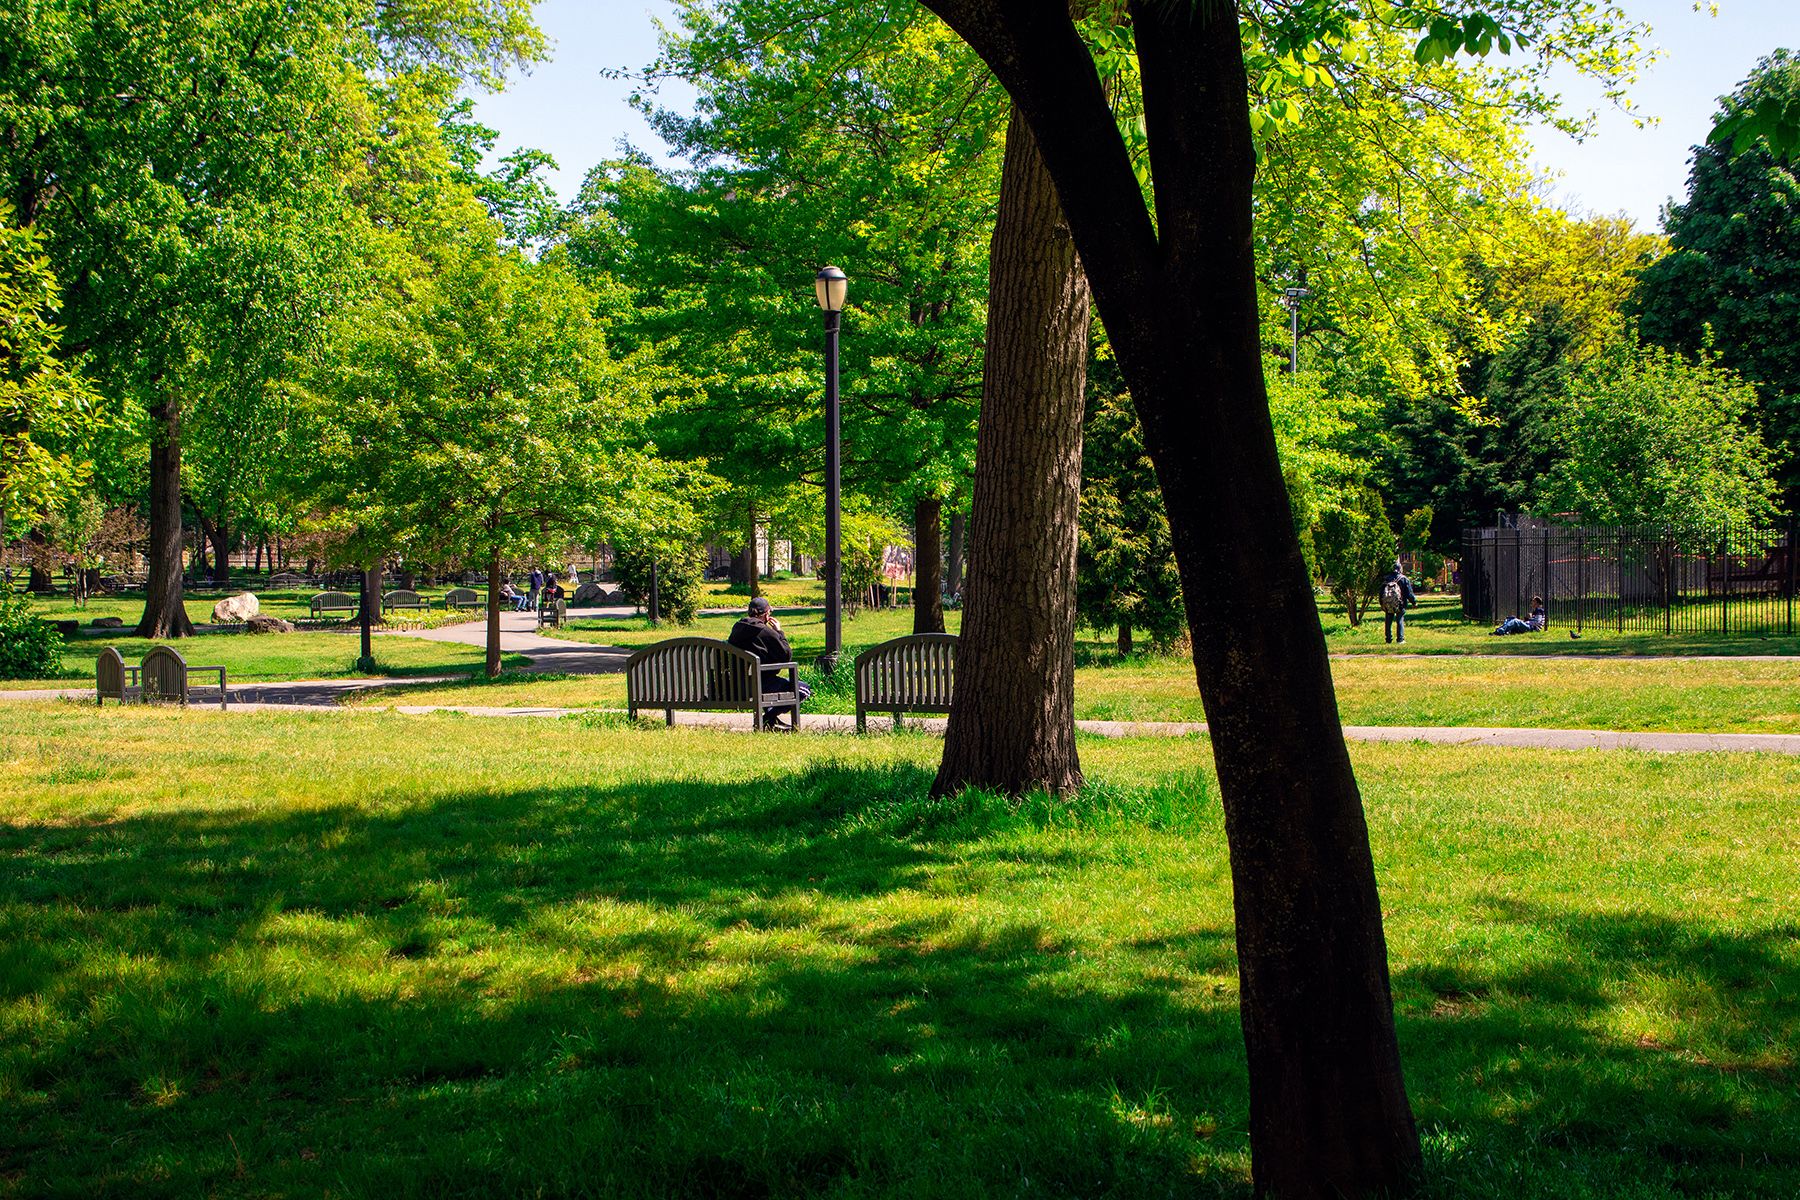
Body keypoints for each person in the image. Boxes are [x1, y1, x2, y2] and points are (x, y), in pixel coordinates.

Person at [727, 596, 812, 728]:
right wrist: (779, 631)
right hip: (756, 686)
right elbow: (786, 655)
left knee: (769, 680)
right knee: (803, 689)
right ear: (766, 614)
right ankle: (767, 719)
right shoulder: (765, 631)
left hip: (734, 686)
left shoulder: (737, 628)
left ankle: (771, 721)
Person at [1378, 560, 1417, 644]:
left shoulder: (1386, 579)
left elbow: (1381, 592)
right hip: (1400, 604)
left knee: (1388, 621)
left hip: (1388, 603)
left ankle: (1388, 639)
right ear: (1400, 569)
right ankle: (1400, 639)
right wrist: (1414, 602)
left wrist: (1381, 602)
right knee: (1399, 620)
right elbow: (1409, 593)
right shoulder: (1404, 579)